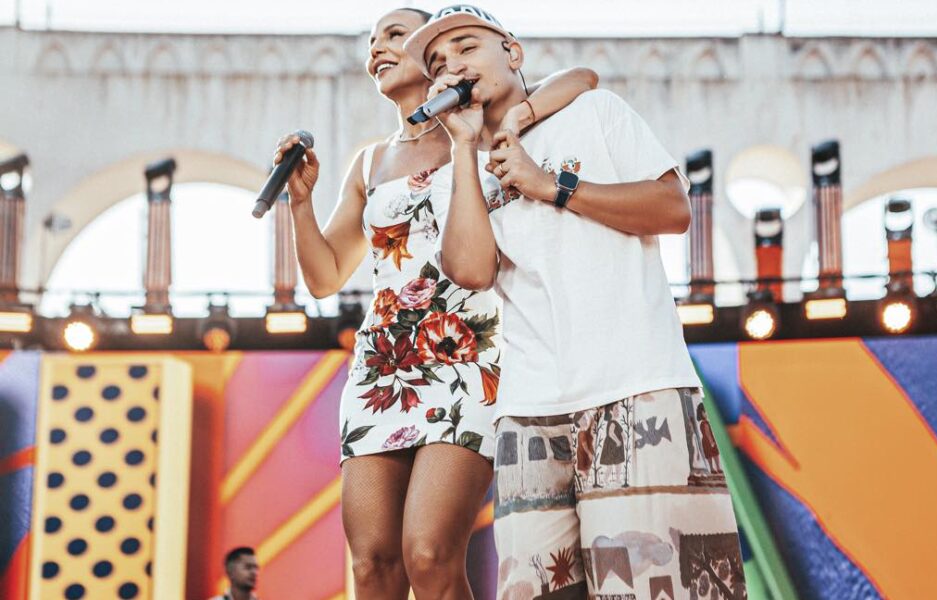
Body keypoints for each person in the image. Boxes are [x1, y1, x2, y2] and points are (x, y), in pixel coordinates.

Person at [405, 5, 747, 598]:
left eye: (466, 47)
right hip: (529, 410)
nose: (451, 66)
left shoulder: (595, 112)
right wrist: (463, 148)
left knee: (657, 585)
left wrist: (551, 185)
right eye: (437, 63)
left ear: (512, 51)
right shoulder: (455, 177)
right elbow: (472, 270)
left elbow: (672, 210)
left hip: (636, 386)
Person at [273, 7, 598, 598]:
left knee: (428, 554)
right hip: (381, 366)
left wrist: (509, 118)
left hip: (469, 355)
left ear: (433, 53)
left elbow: (582, 78)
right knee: (372, 564)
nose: (377, 49)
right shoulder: (370, 162)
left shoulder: (486, 125)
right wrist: (300, 203)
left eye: (395, 35)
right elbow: (324, 278)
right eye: (371, 42)